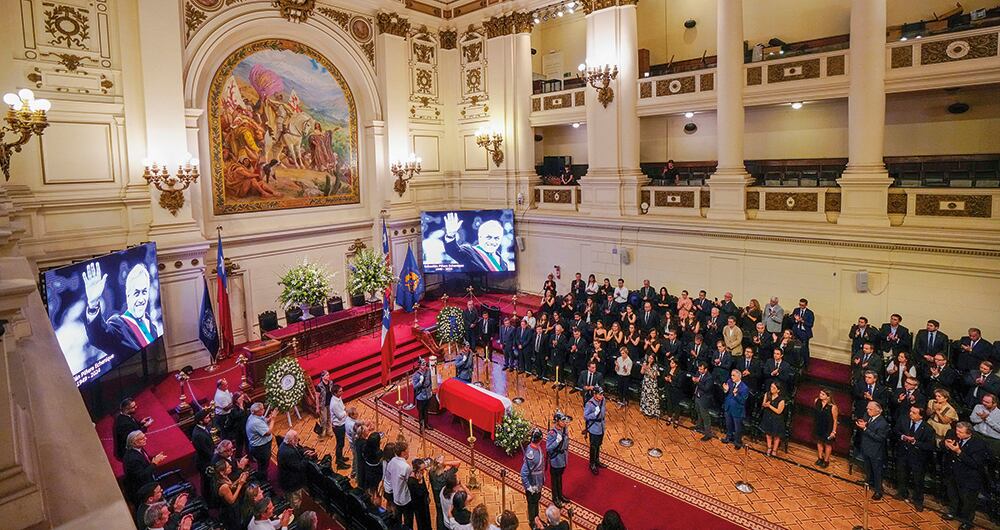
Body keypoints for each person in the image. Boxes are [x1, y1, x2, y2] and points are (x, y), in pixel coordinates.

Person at [82, 261, 162, 352]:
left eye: (144, 292)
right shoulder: (118, 324)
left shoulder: (152, 325)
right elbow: (98, 338)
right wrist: (93, 303)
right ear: (128, 295)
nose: (141, 299)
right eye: (136, 293)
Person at [943, 422, 989, 530]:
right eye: (957, 431)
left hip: (969, 477)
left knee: (968, 502)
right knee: (953, 495)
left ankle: (967, 522)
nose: (957, 433)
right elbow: (942, 445)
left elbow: (975, 464)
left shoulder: (978, 444)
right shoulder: (953, 434)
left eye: (960, 432)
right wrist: (945, 444)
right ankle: (953, 512)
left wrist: (958, 451)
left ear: (969, 433)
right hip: (953, 472)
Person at [894, 405, 934, 512]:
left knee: (918, 480)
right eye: (910, 411)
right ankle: (902, 493)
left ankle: (918, 500)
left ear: (921, 416)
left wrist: (915, 442)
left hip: (918, 458)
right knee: (902, 474)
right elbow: (896, 431)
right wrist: (903, 437)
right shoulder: (903, 420)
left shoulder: (928, 429)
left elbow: (930, 446)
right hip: (903, 454)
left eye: (914, 413)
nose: (910, 413)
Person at [442, 213, 511, 272]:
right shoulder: (469, 251)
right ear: (480, 237)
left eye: (496, 238)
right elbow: (453, 251)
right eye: (488, 237)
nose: (492, 242)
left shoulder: (503, 263)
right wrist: (450, 235)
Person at [856, 401, 889, 500]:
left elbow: (879, 438)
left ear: (878, 411)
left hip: (876, 451)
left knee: (877, 471)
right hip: (866, 448)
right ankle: (868, 481)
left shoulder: (883, 423)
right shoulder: (868, 417)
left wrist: (865, 429)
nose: (867, 411)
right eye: (867, 408)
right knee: (867, 467)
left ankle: (878, 491)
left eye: (870, 409)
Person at [123, 431, 166, 504]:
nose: (146, 438)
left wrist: (154, 459)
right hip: (143, 489)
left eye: (144, 437)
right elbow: (142, 476)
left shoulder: (138, 450)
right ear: (135, 442)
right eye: (142, 438)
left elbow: (144, 463)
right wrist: (154, 463)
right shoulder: (132, 459)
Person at [277, 430, 314, 509]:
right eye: (297, 439)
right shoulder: (289, 453)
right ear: (292, 440)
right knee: (295, 502)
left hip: (287, 479)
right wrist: (307, 458)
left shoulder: (284, 445)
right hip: (292, 483)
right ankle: (294, 514)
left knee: (290, 498)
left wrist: (304, 453)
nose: (298, 441)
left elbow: (296, 449)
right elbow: (299, 467)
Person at [213, 458, 249, 529]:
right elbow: (232, 501)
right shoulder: (224, 486)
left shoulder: (223, 477)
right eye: (228, 467)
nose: (231, 466)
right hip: (230, 510)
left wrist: (239, 479)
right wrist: (240, 484)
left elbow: (231, 486)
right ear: (222, 472)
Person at [245, 402, 276, 481]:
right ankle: (263, 480)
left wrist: (270, 418)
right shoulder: (256, 422)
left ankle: (262, 477)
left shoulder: (255, 416)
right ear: (257, 411)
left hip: (260, 446)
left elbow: (264, 421)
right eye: (262, 409)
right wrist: (273, 420)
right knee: (263, 465)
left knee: (262, 464)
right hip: (261, 448)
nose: (264, 410)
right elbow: (268, 432)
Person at [428, 456, 461, 530]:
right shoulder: (446, 475)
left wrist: (442, 465)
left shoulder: (431, 472)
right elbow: (458, 463)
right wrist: (445, 463)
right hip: (446, 498)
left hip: (437, 499)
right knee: (449, 514)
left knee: (439, 514)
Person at [520, 428, 545, 524]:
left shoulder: (535, 447)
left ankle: (537, 518)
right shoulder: (531, 454)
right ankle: (533, 522)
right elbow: (523, 473)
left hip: (538, 481)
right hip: (532, 483)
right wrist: (528, 487)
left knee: (536, 502)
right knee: (532, 504)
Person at [386, 441, 413, 527]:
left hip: (395, 495)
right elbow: (409, 481)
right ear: (403, 453)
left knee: (398, 520)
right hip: (405, 498)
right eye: (408, 451)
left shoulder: (392, 461)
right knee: (408, 520)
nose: (409, 452)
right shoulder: (406, 467)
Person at [546, 411, 571, 505]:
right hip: (555, 459)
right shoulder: (552, 433)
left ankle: (560, 495)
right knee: (555, 479)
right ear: (557, 421)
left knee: (560, 478)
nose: (564, 422)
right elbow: (548, 448)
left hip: (563, 458)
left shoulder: (564, 429)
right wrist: (557, 441)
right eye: (562, 420)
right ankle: (555, 497)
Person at [722, 368, 749, 449]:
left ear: (739, 376)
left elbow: (743, 401)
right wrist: (725, 390)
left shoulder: (744, 387)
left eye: (733, 375)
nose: (731, 377)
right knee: (728, 424)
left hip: (737, 410)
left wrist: (736, 394)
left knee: (738, 428)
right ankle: (728, 437)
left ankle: (737, 442)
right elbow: (725, 392)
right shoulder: (729, 382)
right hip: (728, 407)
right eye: (731, 375)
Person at [190, 409, 215, 495]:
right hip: (204, 462)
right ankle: (208, 501)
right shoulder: (199, 435)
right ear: (201, 421)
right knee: (207, 482)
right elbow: (206, 451)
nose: (209, 419)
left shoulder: (202, 429)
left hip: (206, 459)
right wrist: (215, 458)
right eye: (207, 418)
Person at [584, 386, 607, 474]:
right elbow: (586, 416)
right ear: (595, 394)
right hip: (594, 428)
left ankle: (597, 460)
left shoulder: (603, 400)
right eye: (600, 394)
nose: (602, 396)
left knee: (598, 445)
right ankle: (592, 463)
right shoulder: (590, 404)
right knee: (593, 446)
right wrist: (594, 414)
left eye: (602, 394)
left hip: (601, 426)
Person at [760, 382, 786, 457]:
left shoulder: (781, 399)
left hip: (777, 419)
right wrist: (765, 405)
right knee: (768, 434)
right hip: (767, 416)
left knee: (776, 436)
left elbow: (779, 411)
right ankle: (769, 448)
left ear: (778, 390)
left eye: (774, 388)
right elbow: (763, 404)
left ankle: (774, 450)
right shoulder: (767, 394)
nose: (771, 389)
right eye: (771, 387)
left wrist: (769, 406)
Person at [813, 388, 837, 467]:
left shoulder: (833, 407)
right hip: (818, 425)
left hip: (828, 428)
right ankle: (820, 458)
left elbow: (835, 420)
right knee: (819, 442)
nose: (820, 395)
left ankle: (826, 461)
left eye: (823, 394)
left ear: (828, 397)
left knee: (827, 444)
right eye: (820, 393)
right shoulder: (817, 401)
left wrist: (833, 431)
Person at [326, 384, 349, 470]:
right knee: (340, 444)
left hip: (341, 423)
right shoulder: (334, 403)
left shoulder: (338, 398)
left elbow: (343, 407)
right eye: (340, 391)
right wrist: (346, 413)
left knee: (341, 443)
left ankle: (340, 458)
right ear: (335, 393)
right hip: (338, 426)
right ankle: (339, 463)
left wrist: (344, 411)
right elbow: (340, 415)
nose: (342, 392)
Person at [693, 362, 715, 441]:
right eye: (699, 369)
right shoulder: (698, 373)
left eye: (701, 369)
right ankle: (699, 426)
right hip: (697, 396)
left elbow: (706, 388)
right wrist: (695, 380)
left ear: (706, 369)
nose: (699, 370)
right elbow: (695, 380)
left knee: (705, 416)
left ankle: (707, 434)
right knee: (699, 412)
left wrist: (697, 382)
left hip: (704, 398)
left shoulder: (709, 378)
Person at [412, 360, 433, 431]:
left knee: (426, 411)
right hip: (420, 395)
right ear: (419, 366)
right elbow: (415, 387)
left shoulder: (428, 371)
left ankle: (426, 424)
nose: (424, 366)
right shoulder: (416, 375)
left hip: (427, 394)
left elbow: (430, 381)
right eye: (423, 365)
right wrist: (420, 382)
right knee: (421, 412)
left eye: (425, 364)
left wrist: (431, 390)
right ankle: (421, 426)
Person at [315, 371, 335, 437]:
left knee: (329, 417)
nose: (328, 376)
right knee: (324, 419)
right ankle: (322, 431)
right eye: (326, 375)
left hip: (330, 403)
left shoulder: (331, 383)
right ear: (323, 377)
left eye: (328, 375)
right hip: (323, 405)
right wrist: (317, 407)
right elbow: (317, 398)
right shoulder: (319, 386)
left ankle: (329, 430)